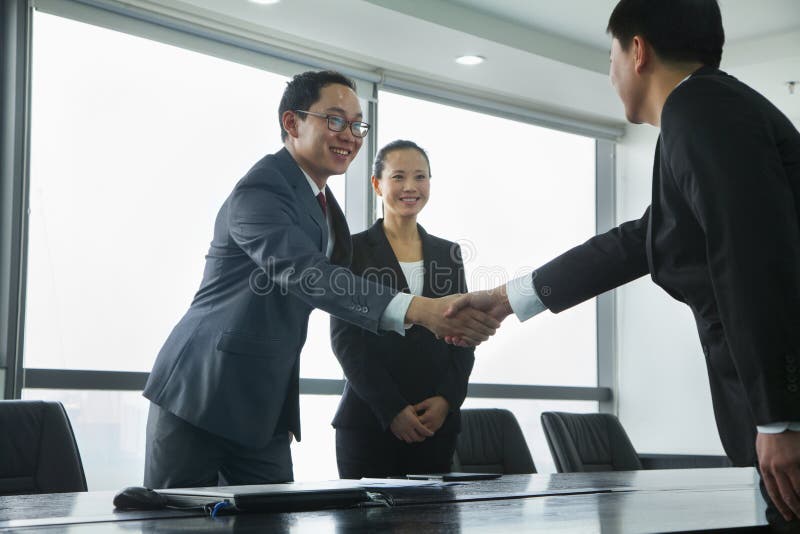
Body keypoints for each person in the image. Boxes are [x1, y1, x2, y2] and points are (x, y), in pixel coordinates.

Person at [446, 0, 800, 529]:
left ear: (637, 51)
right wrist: (504, 300)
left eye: (608, 54)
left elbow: (752, 256)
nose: (609, 72)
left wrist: (779, 419)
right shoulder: (706, 111)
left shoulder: (700, 109)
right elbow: (641, 241)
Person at [142, 71, 498, 489]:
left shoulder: (327, 210)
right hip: (202, 396)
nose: (349, 134)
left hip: (265, 411)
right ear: (292, 124)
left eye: (356, 125)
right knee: (175, 523)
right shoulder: (261, 189)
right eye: (334, 120)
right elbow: (308, 274)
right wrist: (421, 310)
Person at [330, 140, 474, 478]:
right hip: (369, 423)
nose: (411, 187)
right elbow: (345, 341)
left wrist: (447, 400)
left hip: (434, 425)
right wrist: (391, 409)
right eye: (398, 177)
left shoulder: (448, 253)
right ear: (377, 184)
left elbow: (464, 335)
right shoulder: (351, 250)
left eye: (420, 177)